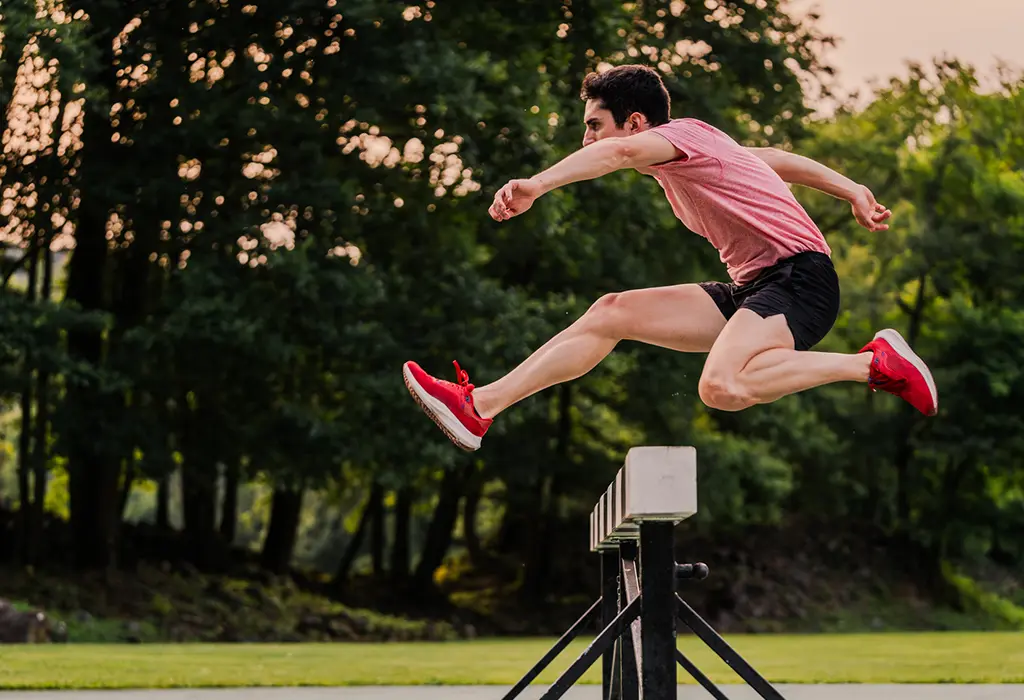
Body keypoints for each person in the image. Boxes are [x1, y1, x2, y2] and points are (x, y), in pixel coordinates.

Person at [402, 64, 937, 452]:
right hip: (755, 289)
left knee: (721, 387)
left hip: (800, 281)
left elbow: (617, 155)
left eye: (594, 124)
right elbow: (773, 159)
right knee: (612, 311)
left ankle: (872, 364)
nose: (586, 137)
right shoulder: (703, 149)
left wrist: (536, 186)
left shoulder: (672, 138)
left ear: (636, 123)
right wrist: (852, 189)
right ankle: (479, 409)